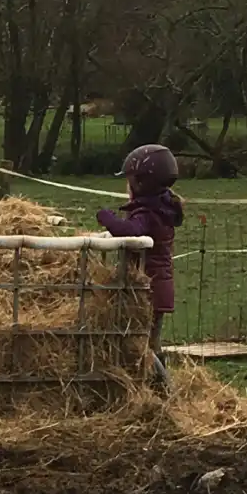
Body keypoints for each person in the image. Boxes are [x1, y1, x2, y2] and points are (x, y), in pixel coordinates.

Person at [96, 144, 184, 389]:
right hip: (156, 286)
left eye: (129, 180)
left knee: (142, 344)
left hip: (149, 288)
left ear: (141, 183)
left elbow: (131, 234)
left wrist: (106, 217)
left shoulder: (148, 213)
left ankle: (163, 391)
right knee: (148, 342)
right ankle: (155, 389)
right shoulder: (161, 208)